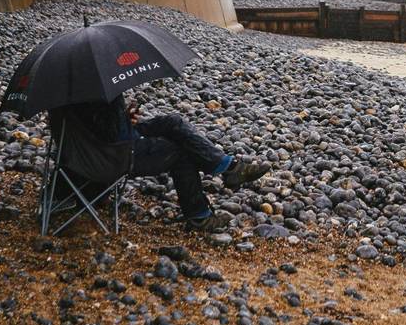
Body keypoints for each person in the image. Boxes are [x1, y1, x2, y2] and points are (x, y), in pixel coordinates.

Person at [55, 95, 269, 230]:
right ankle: (199, 215)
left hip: (99, 152)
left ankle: (226, 166)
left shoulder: (66, 97)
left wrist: (123, 117)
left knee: (172, 123)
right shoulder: (97, 95)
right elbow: (110, 134)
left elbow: (100, 130)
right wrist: (119, 117)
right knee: (181, 152)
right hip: (114, 157)